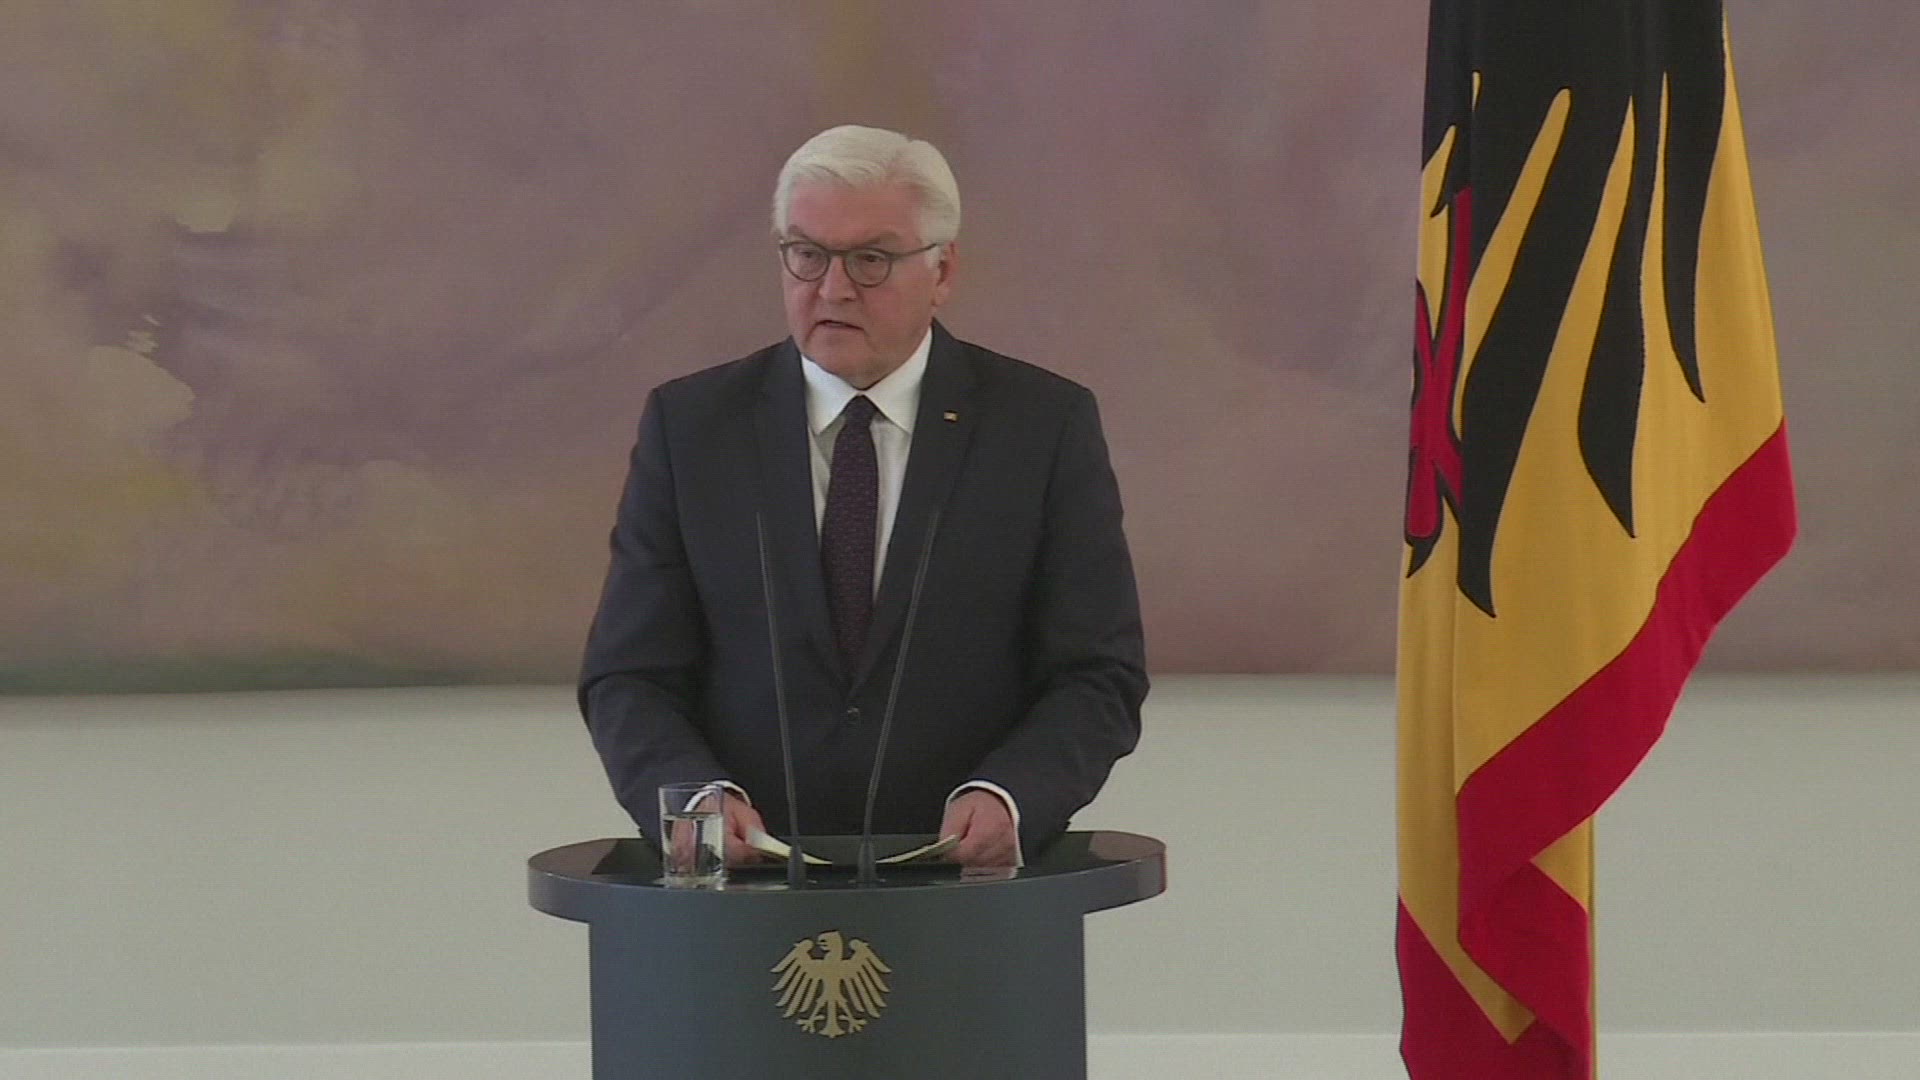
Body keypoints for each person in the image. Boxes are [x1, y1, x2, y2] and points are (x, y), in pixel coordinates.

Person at [579, 125, 1146, 869]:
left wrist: (1012, 796)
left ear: (943, 271)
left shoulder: (1040, 427)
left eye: (871, 260)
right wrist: (694, 800)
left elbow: (1098, 673)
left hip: (970, 890)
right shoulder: (693, 429)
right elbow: (629, 674)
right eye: (807, 254)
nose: (833, 288)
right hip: (745, 892)